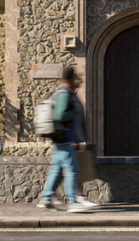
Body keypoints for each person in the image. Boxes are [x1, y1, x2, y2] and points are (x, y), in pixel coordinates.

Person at [37, 65, 100, 212]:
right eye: (77, 77)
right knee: (72, 171)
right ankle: (73, 201)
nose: (78, 80)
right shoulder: (65, 93)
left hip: (63, 140)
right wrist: (74, 110)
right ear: (71, 78)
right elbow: (60, 115)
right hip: (66, 139)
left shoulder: (66, 93)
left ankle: (46, 198)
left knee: (57, 171)